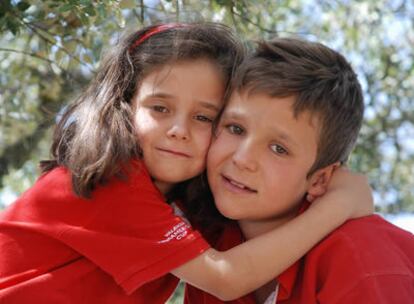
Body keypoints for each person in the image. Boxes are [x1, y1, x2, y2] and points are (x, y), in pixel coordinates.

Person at [0, 24, 373, 304]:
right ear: (123, 104)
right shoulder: (106, 181)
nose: (179, 130)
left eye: (204, 118)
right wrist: (337, 206)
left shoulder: (180, 207)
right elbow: (225, 278)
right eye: (160, 108)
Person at [184, 37, 414, 304]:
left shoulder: (363, 257)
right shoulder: (214, 248)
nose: (243, 158)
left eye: (279, 149)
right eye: (236, 128)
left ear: (320, 179)